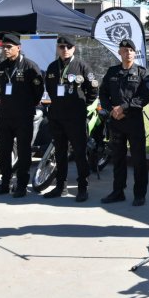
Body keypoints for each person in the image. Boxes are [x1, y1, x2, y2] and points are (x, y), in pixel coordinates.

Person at [43, 35, 98, 202]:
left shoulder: (82, 66)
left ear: (74, 48)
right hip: (57, 118)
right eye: (61, 47)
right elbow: (50, 90)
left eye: (68, 46)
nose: (64, 49)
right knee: (59, 154)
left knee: (80, 154)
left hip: (75, 118)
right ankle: (61, 187)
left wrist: (80, 107)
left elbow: (93, 90)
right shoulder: (52, 67)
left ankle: (82, 188)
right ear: (57, 48)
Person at [0, 34, 44, 198]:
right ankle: (5, 183)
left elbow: (38, 91)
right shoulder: (2, 67)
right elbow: (1, 87)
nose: (5, 50)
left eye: (9, 47)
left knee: (24, 151)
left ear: (18, 48)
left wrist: (26, 105)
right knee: (4, 150)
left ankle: (21, 185)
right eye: (4, 47)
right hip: (6, 116)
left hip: (23, 116)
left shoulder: (29, 66)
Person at [99, 39, 149, 206]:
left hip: (134, 122)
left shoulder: (143, 73)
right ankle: (118, 191)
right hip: (116, 122)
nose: (127, 53)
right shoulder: (112, 72)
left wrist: (123, 108)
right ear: (119, 52)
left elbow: (144, 97)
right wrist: (111, 110)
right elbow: (103, 93)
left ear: (134, 53)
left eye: (130, 50)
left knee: (138, 160)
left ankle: (139, 194)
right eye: (124, 50)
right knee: (118, 158)